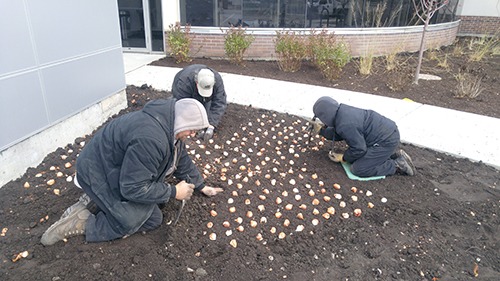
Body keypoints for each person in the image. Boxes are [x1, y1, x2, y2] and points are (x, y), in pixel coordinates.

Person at [41, 98, 223, 246]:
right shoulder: (151, 139)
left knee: (151, 212)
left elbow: (181, 159)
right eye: (192, 129)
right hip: (97, 172)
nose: (192, 134)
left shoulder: (170, 128)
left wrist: (201, 186)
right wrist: (174, 192)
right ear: (183, 122)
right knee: (137, 219)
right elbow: (132, 188)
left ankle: (95, 201)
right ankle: (83, 222)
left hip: (113, 168)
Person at [310, 96, 415, 177]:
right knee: (357, 158)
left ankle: (397, 165)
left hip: (386, 141)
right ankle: (390, 156)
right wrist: (321, 131)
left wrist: (343, 157)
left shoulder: (345, 125)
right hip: (387, 133)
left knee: (358, 169)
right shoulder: (343, 113)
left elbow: (359, 149)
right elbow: (339, 133)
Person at [171, 64, 227, 141]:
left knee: (204, 109)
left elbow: (220, 102)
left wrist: (211, 125)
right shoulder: (184, 83)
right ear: (196, 82)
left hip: (197, 86)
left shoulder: (217, 81)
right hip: (182, 86)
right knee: (180, 109)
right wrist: (191, 127)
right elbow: (184, 106)